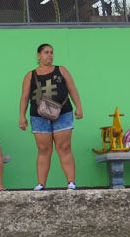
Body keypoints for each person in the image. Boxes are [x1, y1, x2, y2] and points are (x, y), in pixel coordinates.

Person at [18, 43, 83, 190]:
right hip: (38, 115)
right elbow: (24, 97)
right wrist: (22, 116)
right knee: (43, 149)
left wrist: (79, 107)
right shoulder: (30, 75)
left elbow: (72, 89)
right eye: (46, 52)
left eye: (51, 52)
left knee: (64, 147)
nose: (50, 55)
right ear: (38, 55)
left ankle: (71, 182)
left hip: (63, 113)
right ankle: (41, 184)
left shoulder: (61, 70)